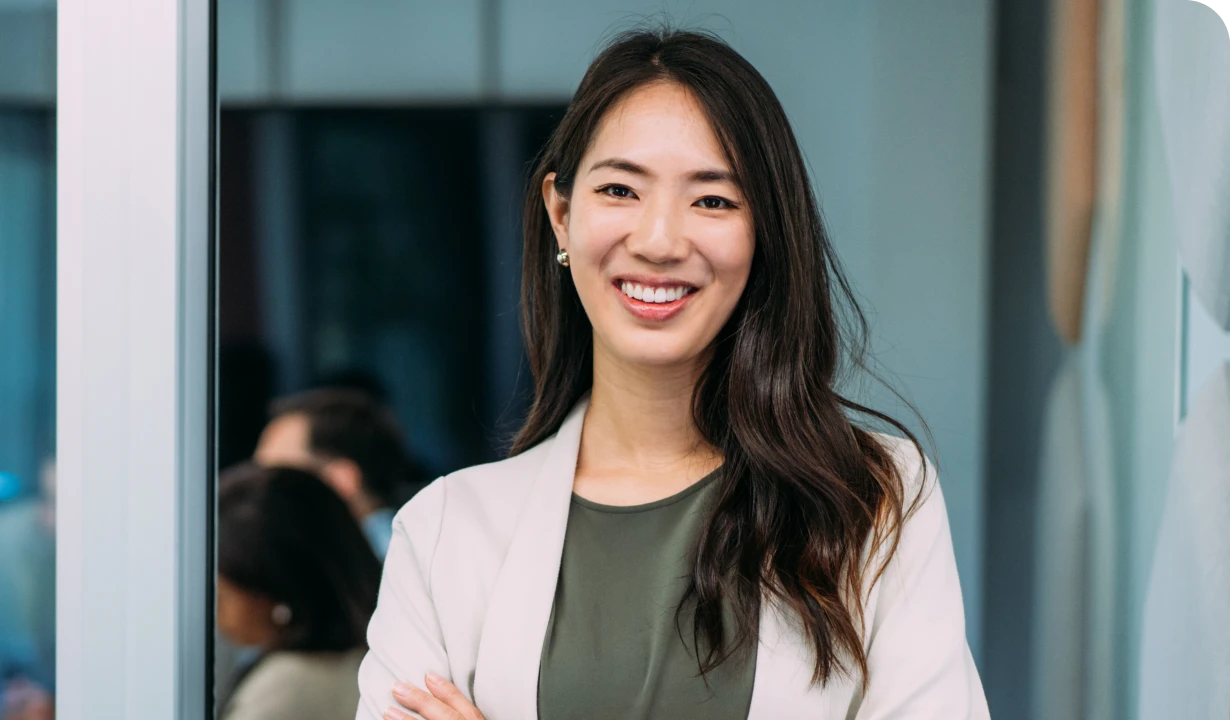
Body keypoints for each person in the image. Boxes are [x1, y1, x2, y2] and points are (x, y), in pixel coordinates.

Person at [360, 28, 990, 720]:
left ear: (765, 231)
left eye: (712, 200)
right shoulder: (445, 533)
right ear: (561, 215)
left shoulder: (872, 498)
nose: (659, 241)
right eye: (620, 189)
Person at [216, 464, 381, 720]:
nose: (216, 618)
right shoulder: (371, 661)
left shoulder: (283, 690)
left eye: (222, 599)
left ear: (272, 592)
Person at [254, 388, 419, 560]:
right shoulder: (410, 549)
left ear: (341, 479)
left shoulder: (384, 564)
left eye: (275, 476)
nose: (256, 491)